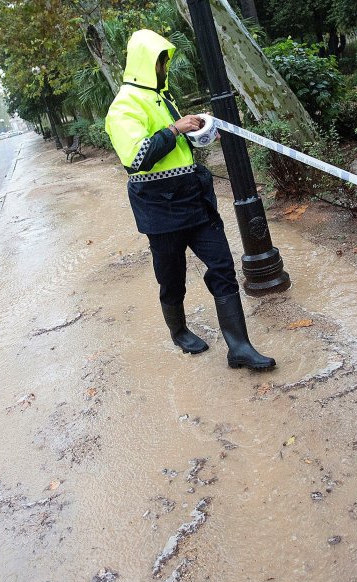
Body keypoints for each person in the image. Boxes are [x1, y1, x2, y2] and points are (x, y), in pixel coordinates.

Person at [105, 29, 275, 371]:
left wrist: (197, 130)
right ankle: (179, 330)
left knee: (223, 267)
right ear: (144, 62)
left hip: (195, 201)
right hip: (160, 209)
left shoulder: (160, 98)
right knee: (172, 277)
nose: (164, 68)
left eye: (165, 61)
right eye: (160, 62)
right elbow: (137, 159)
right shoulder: (123, 106)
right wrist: (175, 129)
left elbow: (177, 150)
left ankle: (239, 347)